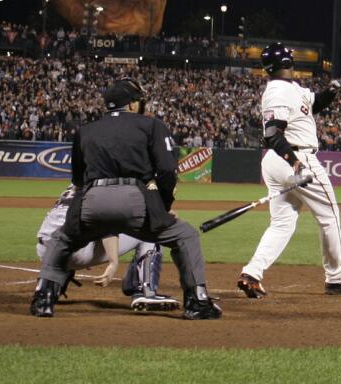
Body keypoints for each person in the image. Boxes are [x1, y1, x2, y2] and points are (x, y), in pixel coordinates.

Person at [29, 78, 219, 320]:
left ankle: (43, 298)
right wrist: (162, 209)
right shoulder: (151, 126)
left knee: (61, 239)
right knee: (185, 236)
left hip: (92, 200)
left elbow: (78, 181)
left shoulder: (86, 130)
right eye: (139, 102)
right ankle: (197, 302)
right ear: (130, 105)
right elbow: (167, 172)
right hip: (135, 200)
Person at [237, 44, 341, 298]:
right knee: (329, 215)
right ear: (288, 62)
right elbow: (272, 133)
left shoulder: (293, 89)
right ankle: (337, 278)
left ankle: (252, 273)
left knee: (282, 224)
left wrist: (330, 92)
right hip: (295, 157)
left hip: (279, 161)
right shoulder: (277, 92)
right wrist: (293, 160)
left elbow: (312, 104)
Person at [35, 184, 175, 312]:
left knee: (79, 231)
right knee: (154, 232)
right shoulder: (112, 186)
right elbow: (108, 226)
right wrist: (113, 263)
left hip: (46, 252)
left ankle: (52, 285)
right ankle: (145, 292)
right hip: (76, 253)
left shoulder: (78, 184)